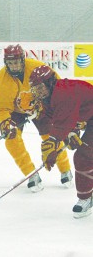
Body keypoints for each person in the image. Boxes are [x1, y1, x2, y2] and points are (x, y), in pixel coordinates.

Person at [0, 44, 72, 192]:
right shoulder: (2, 78)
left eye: (16, 62)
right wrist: (5, 121)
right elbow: (1, 107)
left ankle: (65, 169)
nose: (14, 66)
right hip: (15, 110)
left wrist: (48, 106)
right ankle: (31, 174)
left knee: (51, 137)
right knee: (11, 140)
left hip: (40, 104)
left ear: (23, 59)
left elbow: (57, 86)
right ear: (5, 63)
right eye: (10, 63)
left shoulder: (37, 67)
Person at [29, 65, 93, 218]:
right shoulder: (49, 96)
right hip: (88, 119)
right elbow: (59, 120)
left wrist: (52, 144)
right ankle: (85, 198)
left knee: (83, 156)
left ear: (50, 82)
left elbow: (61, 124)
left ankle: (86, 198)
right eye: (35, 89)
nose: (38, 92)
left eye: (41, 88)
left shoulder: (64, 94)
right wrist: (70, 134)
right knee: (85, 155)